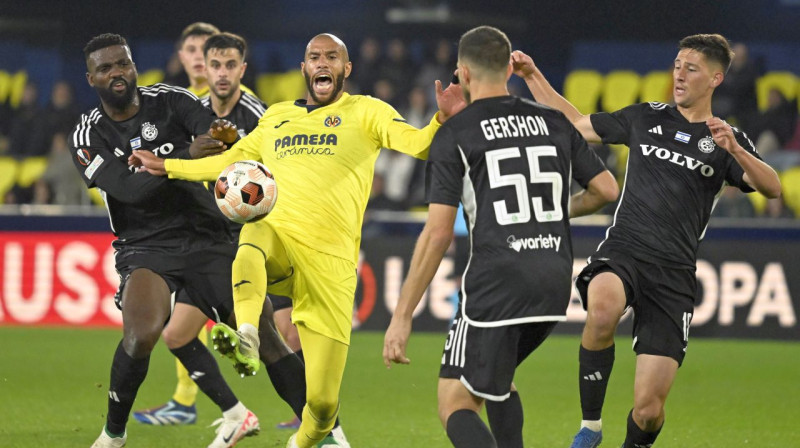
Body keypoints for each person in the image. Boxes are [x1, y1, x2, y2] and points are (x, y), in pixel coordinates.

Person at [131, 32, 465, 448]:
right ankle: (248, 333)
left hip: (332, 269)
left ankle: (304, 441)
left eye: (332, 56)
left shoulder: (367, 112)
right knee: (253, 231)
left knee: (322, 406)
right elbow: (229, 161)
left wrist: (442, 120)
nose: (322, 62)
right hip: (282, 244)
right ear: (304, 69)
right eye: (313, 57)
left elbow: (419, 146)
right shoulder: (276, 118)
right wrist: (167, 166)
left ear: (346, 69)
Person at [512, 34, 782, 448]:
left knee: (649, 410)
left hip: (673, 274)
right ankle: (590, 428)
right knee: (602, 311)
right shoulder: (646, 116)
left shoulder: (726, 139)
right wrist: (533, 76)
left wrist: (737, 151)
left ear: (715, 78)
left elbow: (773, 187)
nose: (679, 74)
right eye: (677, 65)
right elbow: (577, 125)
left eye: (690, 69)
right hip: (626, 249)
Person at [382, 26, 618, 448]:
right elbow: (606, 190)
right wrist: (549, 213)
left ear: (464, 74)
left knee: (455, 400)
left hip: (497, 282)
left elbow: (437, 233)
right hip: (552, 282)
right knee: (498, 381)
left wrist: (402, 315)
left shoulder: (454, 134)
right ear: (509, 68)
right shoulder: (552, 121)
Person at [74, 33, 262, 448]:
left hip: (205, 232)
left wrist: (201, 146)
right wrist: (184, 156)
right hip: (145, 244)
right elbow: (128, 190)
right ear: (91, 79)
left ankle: (322, 429)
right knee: (144, 335)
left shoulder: (171, 99)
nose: (117, 73)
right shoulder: (89, 133)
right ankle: (114, 434)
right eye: (105, 68)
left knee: (267, 333)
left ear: (133, 65)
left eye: (122, 63)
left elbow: (212, 136)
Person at [177, 22, 220, 98]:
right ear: (181, 57)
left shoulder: (237, 97)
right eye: (191, 50)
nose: (198, 56)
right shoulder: (179, 101)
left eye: (205, 49)